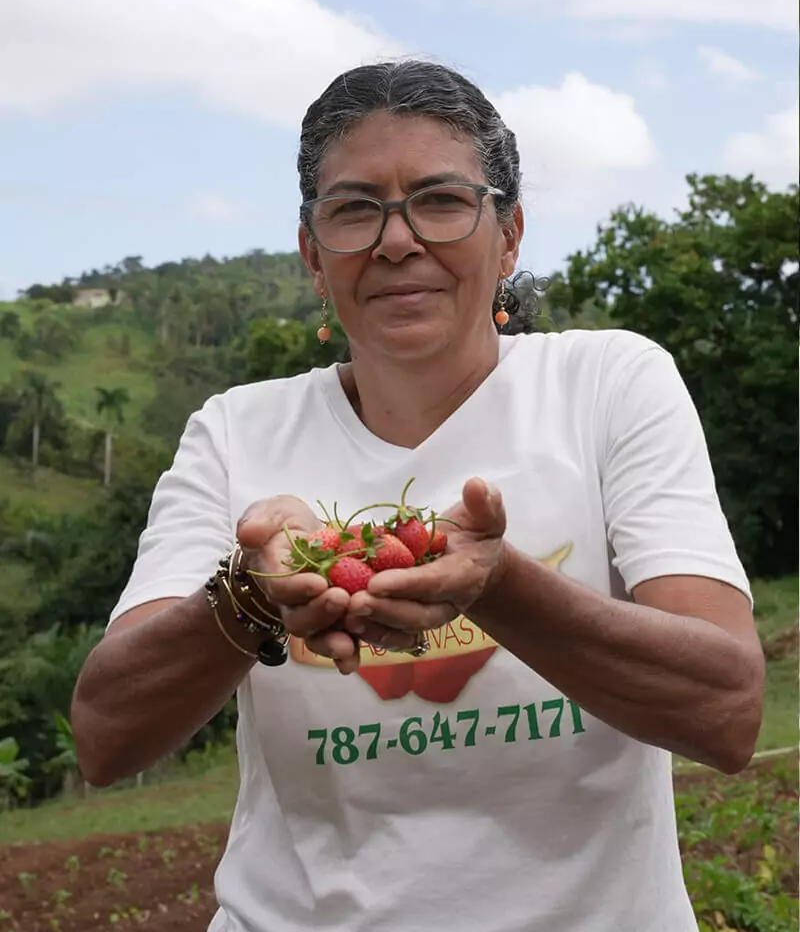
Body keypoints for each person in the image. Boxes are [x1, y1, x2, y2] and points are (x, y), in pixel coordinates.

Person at [71, 60, 765, 932]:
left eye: (440, 201)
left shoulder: (610, 384)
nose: (397, 240)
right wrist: (247, 597)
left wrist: (502, 584)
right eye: (355, 210)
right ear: (312, 254)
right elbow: (104, 736)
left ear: (507, 234)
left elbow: (729, 710)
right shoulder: (236, 432)